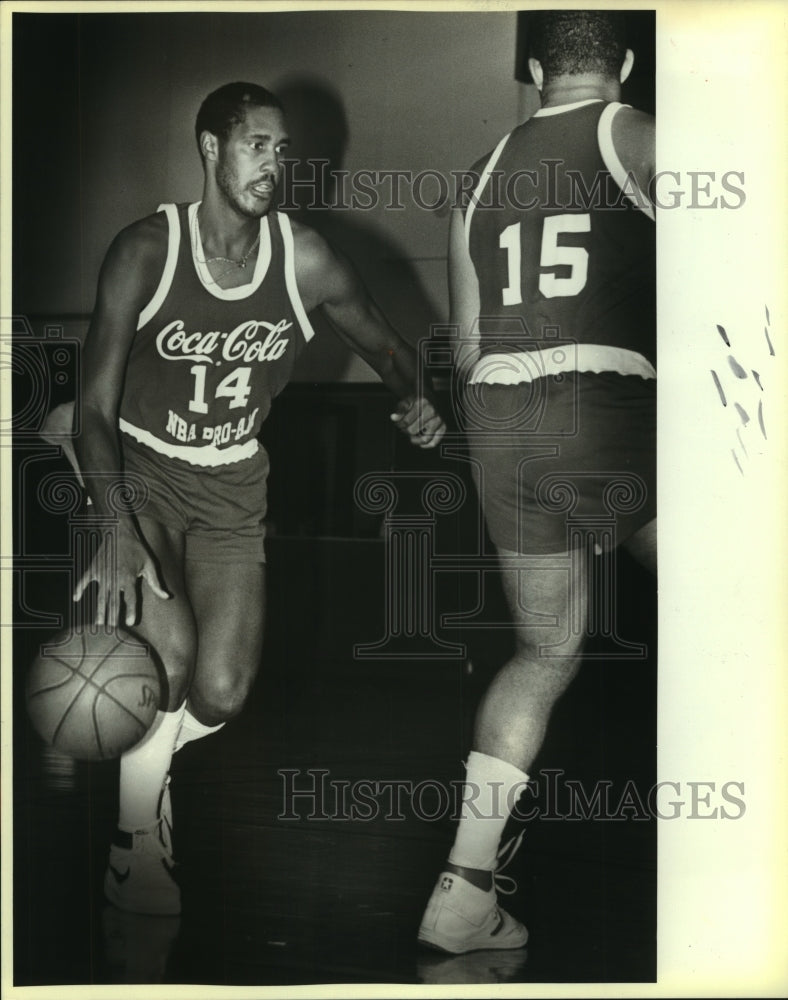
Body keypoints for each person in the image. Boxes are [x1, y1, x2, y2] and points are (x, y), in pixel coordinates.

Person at [43, 81, 445, 916]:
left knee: (221, 692)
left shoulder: (306, 260)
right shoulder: (146, 250)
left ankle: (141, 762)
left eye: (284, 150)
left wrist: (417, 397)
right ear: (211, 148)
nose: (275, 164)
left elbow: (385, 345)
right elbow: (94, 406)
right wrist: (113, 524)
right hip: (142, 464)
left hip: (233, 479)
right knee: (170, 657)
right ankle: (133, 842)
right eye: (258, 144)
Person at [418, 10, 656, 953]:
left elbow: (468, 348)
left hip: (503, 420)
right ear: (626, 63)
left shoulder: (476, 180)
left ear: (530, 68)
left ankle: (463, 890)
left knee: (546, 652)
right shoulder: (635, 132)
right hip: (607, 402)